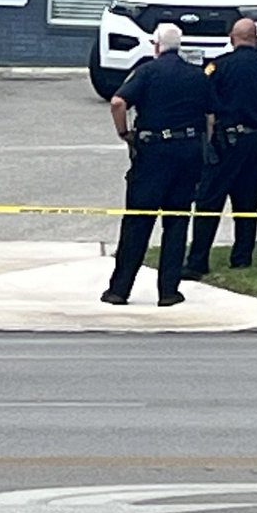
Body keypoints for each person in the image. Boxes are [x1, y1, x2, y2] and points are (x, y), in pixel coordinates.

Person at [102, 23, 211, 307]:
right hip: (188, 152)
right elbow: (210, 116)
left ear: (156, 45)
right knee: (176, 223)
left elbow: (117, 102)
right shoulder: (197, 75)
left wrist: (124, 134)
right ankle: (168, 291)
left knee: (138, 221)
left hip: (153, 153)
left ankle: (119, 290)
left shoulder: (147, 72)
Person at [182, 19, 257, 279]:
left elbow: (209, 111)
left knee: (209, 201)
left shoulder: (220, 67)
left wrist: (208, 144)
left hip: (227, 142)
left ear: (232, 37)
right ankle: (241, 258)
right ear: (255, 38)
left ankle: (197, 261)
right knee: (248, 204)